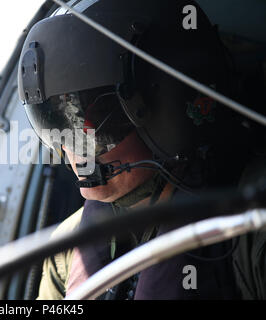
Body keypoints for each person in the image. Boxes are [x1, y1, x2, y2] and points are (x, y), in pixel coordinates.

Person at [17, 0, 266, 299]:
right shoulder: (66, 250)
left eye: (99, 122)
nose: (76, 150)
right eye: (60, 123)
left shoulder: (253, 225)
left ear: (170, 105)